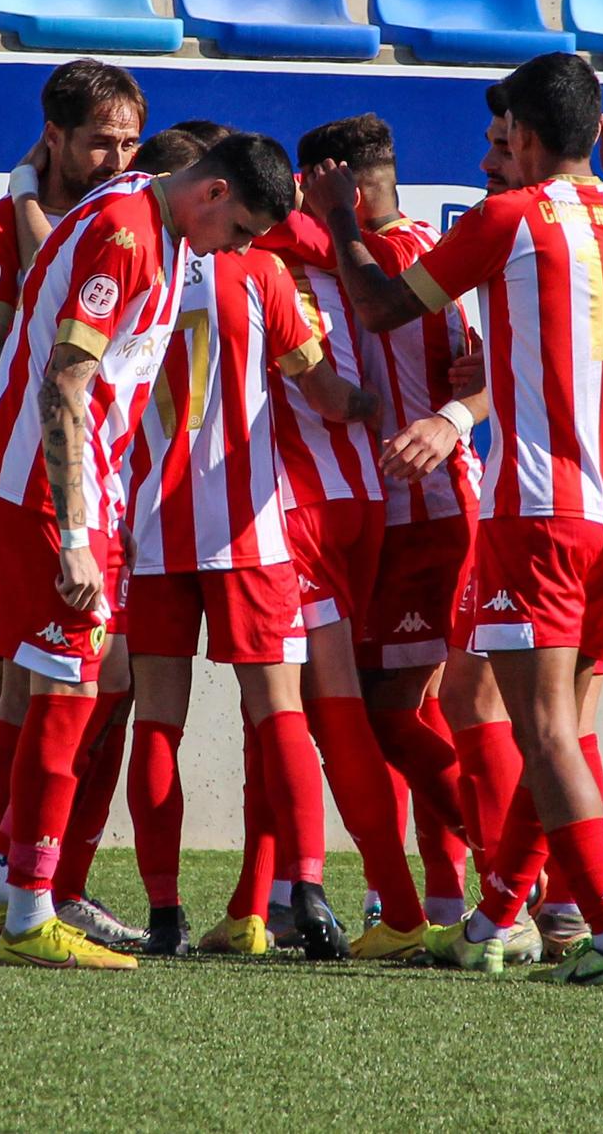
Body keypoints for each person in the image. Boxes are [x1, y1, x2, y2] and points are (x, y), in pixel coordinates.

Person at [307, 53, 603, 987]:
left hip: (538, 511)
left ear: (529, 138)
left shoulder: (507, 220)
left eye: (504, 133)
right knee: (559, 723)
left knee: (539, 728)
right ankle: (498, 912)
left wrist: (343, 219)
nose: (495, 148)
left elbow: (384, 306)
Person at [0, 132, 299, 971]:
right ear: (215, 192)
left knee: (86, 681)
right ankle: (27, 909)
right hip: (49, 489)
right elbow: (66, 381)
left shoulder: (156, 209)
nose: (241, 249)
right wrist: (76, 534)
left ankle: (9, 886)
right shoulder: (129, 232)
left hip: (81, 488)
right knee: (68, 684)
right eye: (244, 229)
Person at [0, 59, 147, 949]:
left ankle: (48, 877)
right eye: (101, 140)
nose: (120, 157)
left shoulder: (129, 223)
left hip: (108, 488)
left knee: (111, 683)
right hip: (31, 488)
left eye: (132, 141)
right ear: (53, 136)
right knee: (11, 684)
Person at [123, 221, 378, 958]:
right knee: (280, 716)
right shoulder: (259, 270)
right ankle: (308, 893)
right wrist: (369, 404)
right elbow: (324, 389)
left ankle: (164, 913)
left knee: (157, 723)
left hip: (154, 531)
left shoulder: (137, 264)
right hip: (249, 532)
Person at [294, 115, 485, 933]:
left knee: (389, 710)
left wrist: (452, 415)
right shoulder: (369, 255)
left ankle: (520, 863)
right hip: (391, 513)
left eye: (316, 187)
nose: (305, 203)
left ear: (347, 183)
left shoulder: (404, 258)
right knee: (410, 709)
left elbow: (482, 378)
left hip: (427, 512)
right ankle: (444, 898)